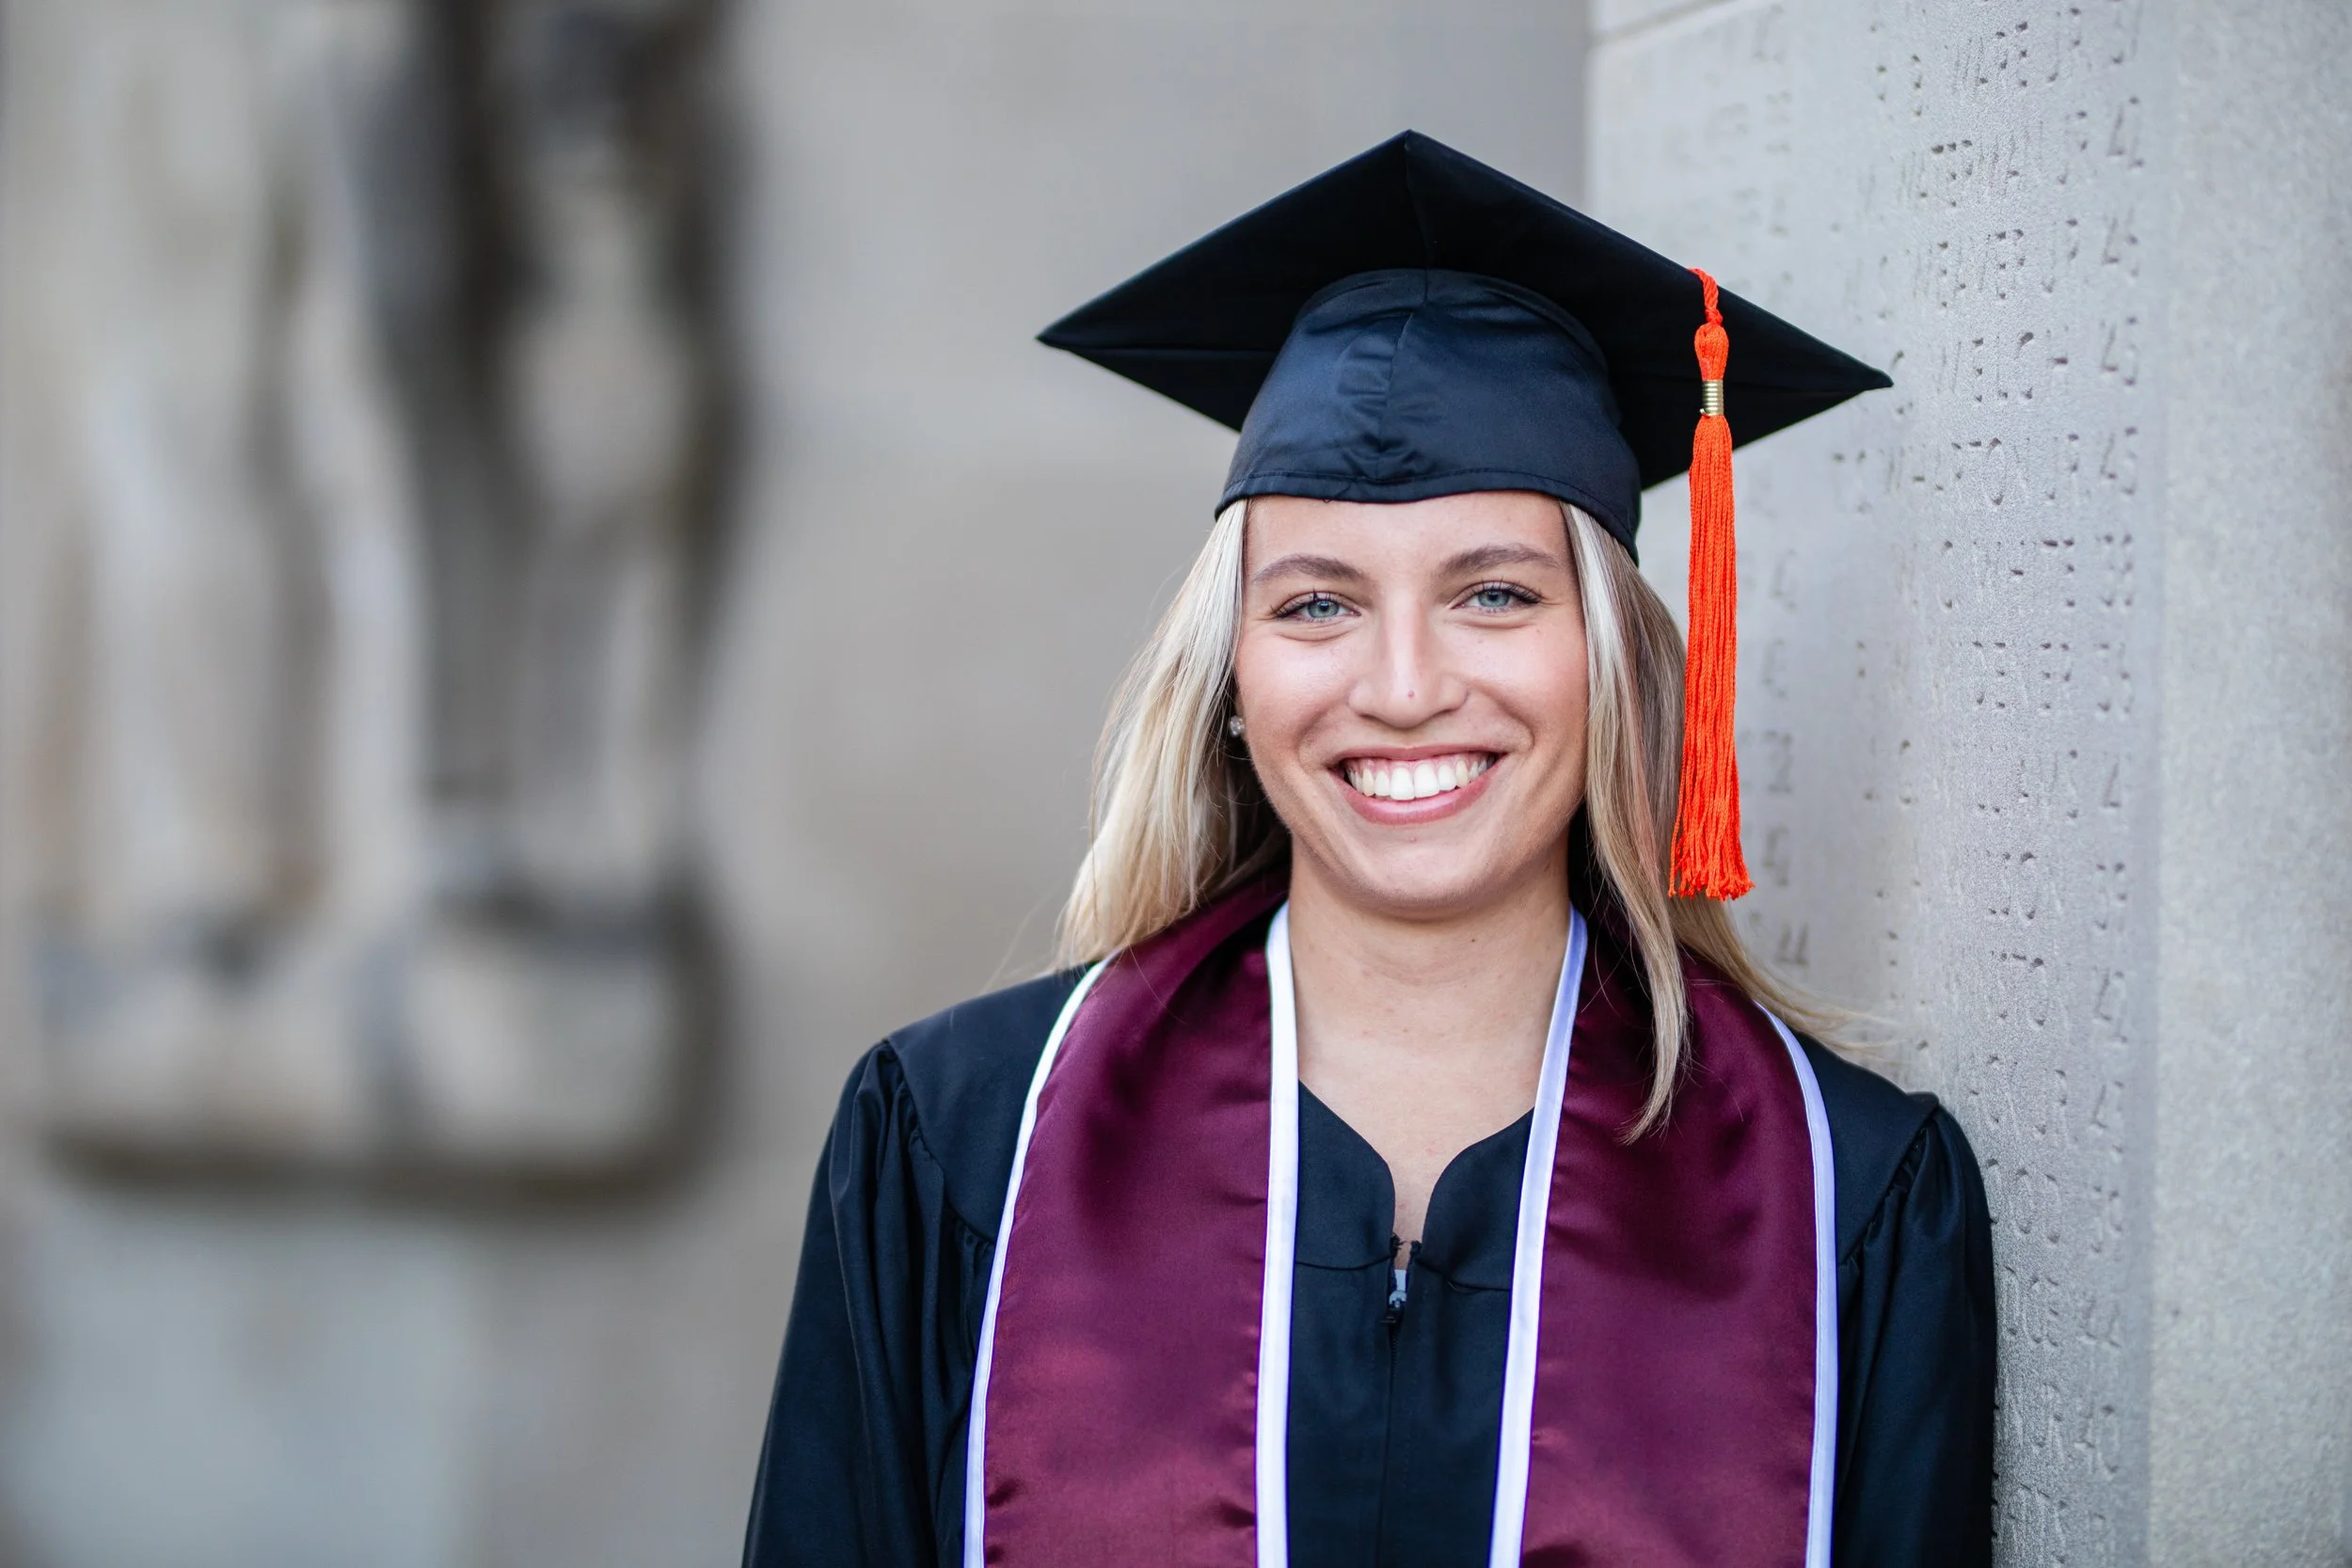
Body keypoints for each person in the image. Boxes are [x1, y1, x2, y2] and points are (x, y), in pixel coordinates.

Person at [744, 132, 1994, 1568]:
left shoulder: (1848, 1197)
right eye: (1317, 606)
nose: (1401, 686)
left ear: (1618, 663)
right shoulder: (965, 1147)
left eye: (1498, 593)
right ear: (1228, 676)